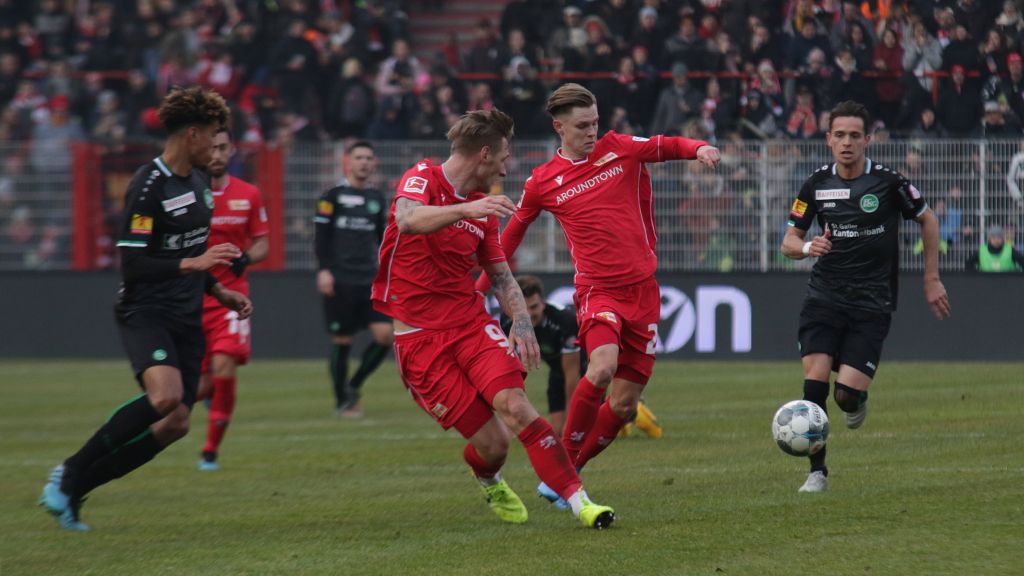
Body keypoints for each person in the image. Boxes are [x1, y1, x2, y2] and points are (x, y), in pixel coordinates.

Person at [475, 83, 720, 506]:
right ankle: (564, 466)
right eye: (582, 126)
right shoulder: (543, 182)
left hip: (643, 291)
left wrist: (699, 148)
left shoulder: (619, 148)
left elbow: (666, 144)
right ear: (559, 127)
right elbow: (512, 233)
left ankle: (571, 468)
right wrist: (481, 288)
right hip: (597, 291)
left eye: (595, 123)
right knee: (602, 368)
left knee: (624, 404)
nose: (592, 132)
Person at [371, 109, 615, 529]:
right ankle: (487, 476)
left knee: (516, 406)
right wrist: (468, 208)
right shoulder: (422, 178)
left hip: (469, 324)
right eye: (503, 157)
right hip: (419, 341)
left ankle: (582, 503)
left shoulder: (483, 211)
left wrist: (520, 321)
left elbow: (501, 275)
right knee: (494, 445)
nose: (507, 165)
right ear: (484, 155)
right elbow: (407, 220)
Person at [39, 87, 252, 530]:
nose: (217, 151)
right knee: (166, 396)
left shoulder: (199, 184)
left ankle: (76, 490)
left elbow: (191, 249)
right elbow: (133, 264)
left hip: (188, 314)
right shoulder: (148, 185)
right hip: (146, 311)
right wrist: (195, 263)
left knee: (176, 423)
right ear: (191, 135)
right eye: (212, 139)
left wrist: (218, 291)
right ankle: (70, 469)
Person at [781, 100, 951, 493]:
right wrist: (809, 249)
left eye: (855, 136)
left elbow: (928, 219)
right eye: (839, 135)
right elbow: (788, 241)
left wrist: (931, 278)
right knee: (815, 382)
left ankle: (856, 401)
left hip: (872, 304)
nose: (846, 143)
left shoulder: (889, 183)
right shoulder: (816, 185)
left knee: (846, 395)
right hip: (824, 297)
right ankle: (817, 472)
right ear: (828, 139)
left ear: (868, 140)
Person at [499, 275, 663, 442]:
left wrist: (571, 424)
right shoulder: (508, 322)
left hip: (585, 369)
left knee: (582, 430)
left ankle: (634, 412)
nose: (529, 314)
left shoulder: (564, 321)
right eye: (524, 309)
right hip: (556, 371)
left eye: (534, 307)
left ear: (543, 302)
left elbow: (572, 375)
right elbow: (511, 369)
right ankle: (620, 420)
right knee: (556, 432)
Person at [195, 127, 270, 471]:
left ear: (232, 151)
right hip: (191, 300)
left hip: (231, 301)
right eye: (211, 148)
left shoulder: (248, 194)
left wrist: (246, 258)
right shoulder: (188, 195)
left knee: (224, 366)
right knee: (195, 387)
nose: (217, 155)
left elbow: (262, 243)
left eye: (223, 148)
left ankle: (210, 452)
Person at [315, 141, 393, 418]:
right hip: (340, 279)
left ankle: (354, 384)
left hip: (368, 279)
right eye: (359, 157)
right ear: (347, 162)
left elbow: (381, 239)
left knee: (385, 336)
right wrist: (324, 270)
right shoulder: (332, 196)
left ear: (374, 164)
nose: (364, 162)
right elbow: (321, 237)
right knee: (343, 340)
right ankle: (342, 400)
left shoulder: (376, 198)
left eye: (369, 158)